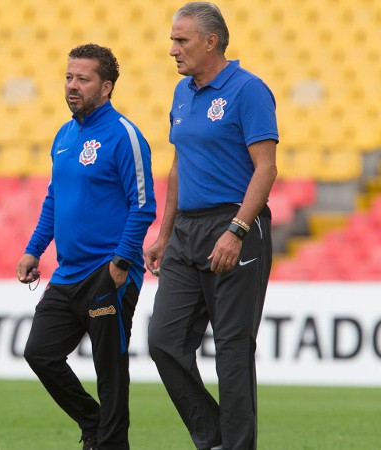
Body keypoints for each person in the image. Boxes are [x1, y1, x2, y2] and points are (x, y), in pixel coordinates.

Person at [144, 3, 278, 450]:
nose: (172, 49)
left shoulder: (248, 90)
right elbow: (179, 165)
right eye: (172, 40)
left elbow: (266, 168)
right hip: (186, 230)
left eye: (180, 40)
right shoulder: (182, 93)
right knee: (163, 340)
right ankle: (213, 437)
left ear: (210, 41)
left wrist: (237, 230)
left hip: (234, 222)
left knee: (233, 351)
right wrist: (164, 233)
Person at [18, 43, 157, 450]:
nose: (72, 86)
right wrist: (33, 249)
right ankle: (94, 423)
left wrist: (121, 263)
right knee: (40, 353)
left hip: (107, 271)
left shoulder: (124, 135)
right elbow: (54, 199)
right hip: (67, 274)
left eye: (83, 79)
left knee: (109, 367)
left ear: (106, 86)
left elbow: (143, 205)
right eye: (68, 77)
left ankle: (110, 443)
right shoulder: (64, 135)